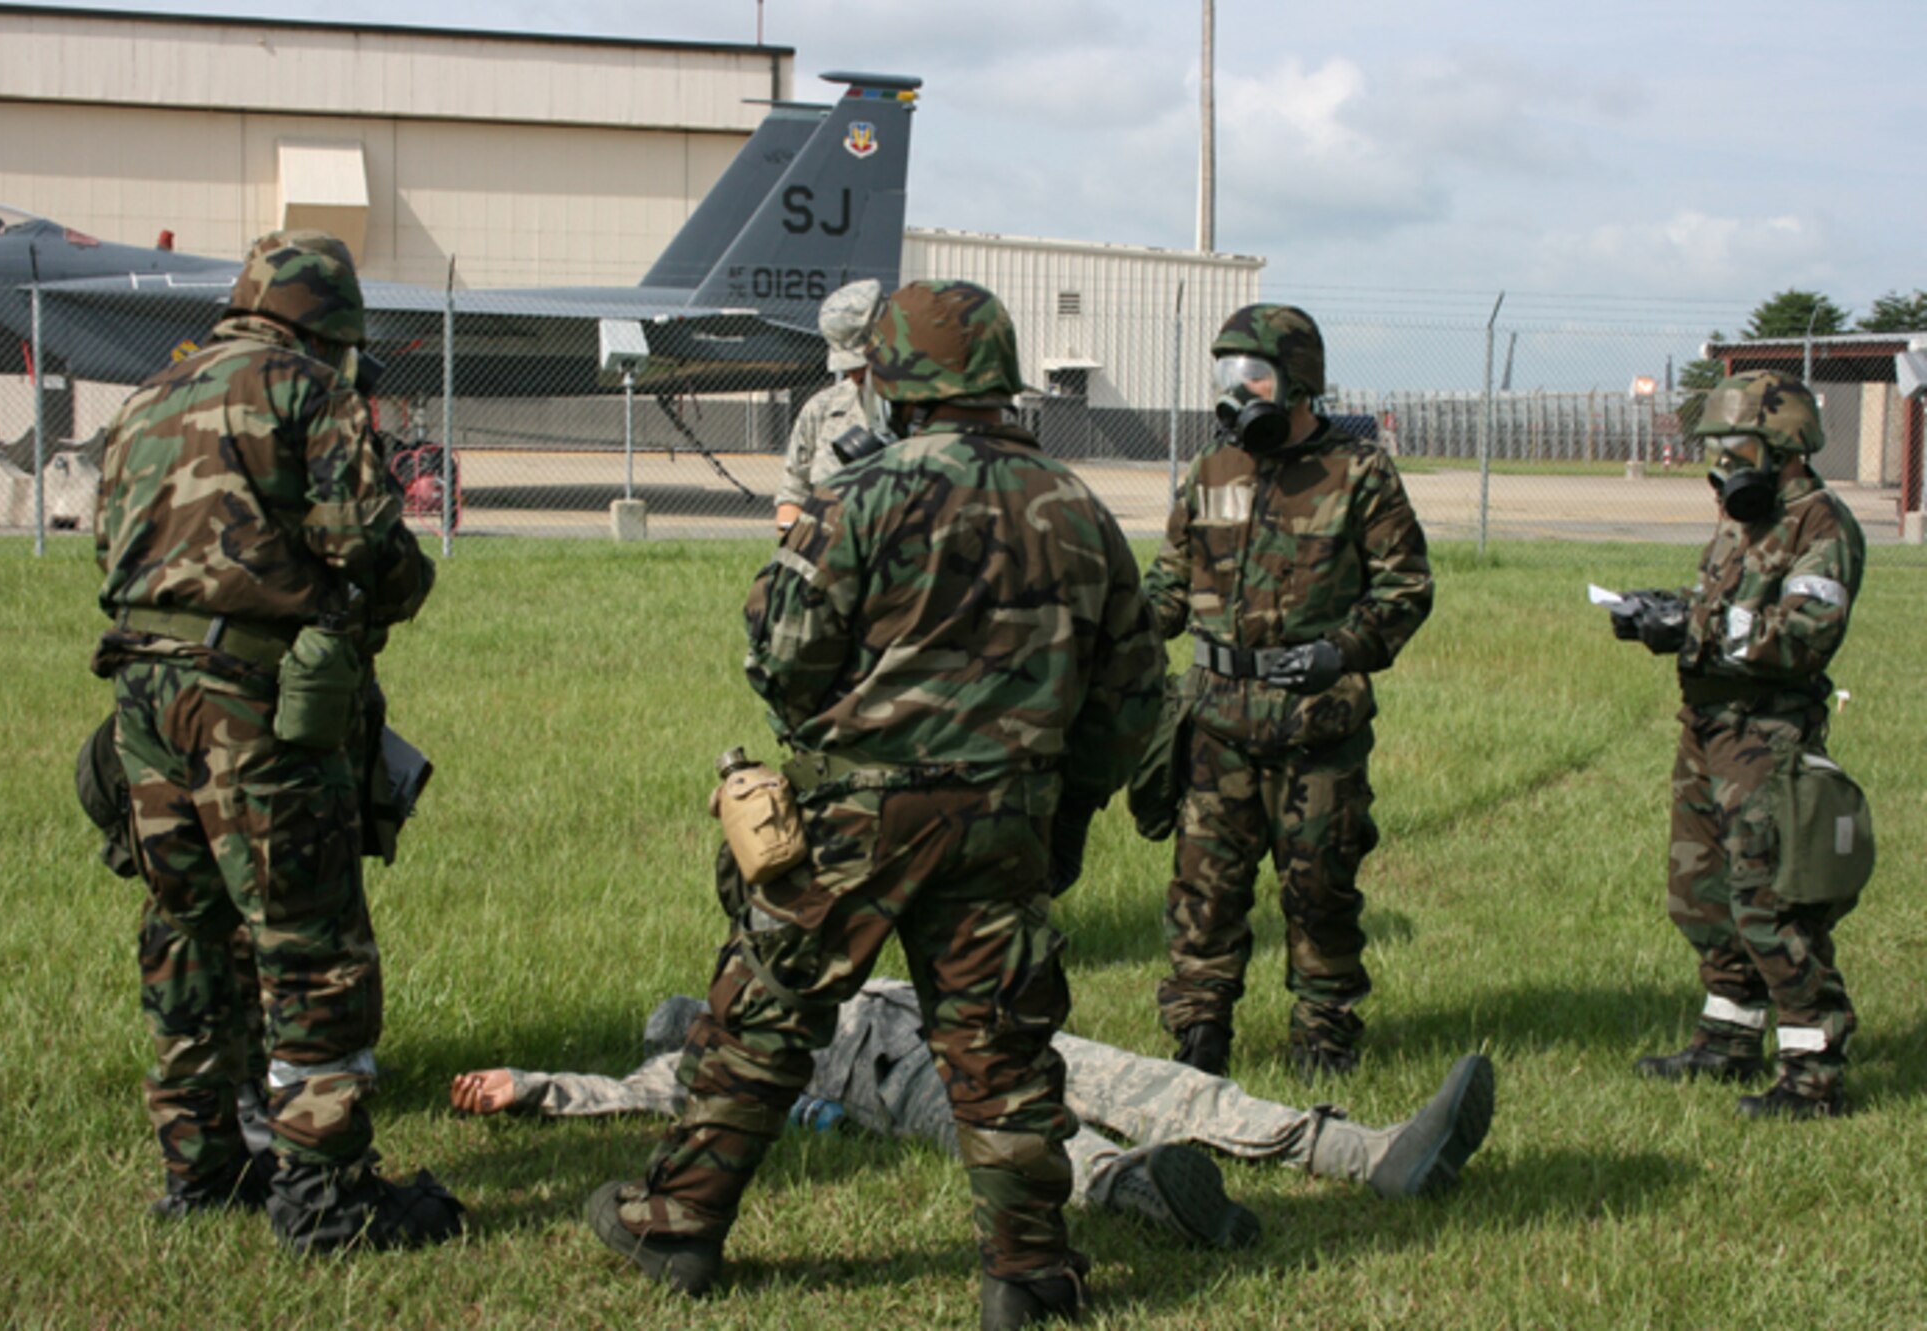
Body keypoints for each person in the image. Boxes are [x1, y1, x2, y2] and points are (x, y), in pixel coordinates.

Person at [585, 280, 1165, 1330]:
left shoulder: (858, 495)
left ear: (894, 383)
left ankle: (677, 1223)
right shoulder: (1078, 506)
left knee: (766, 1011)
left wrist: (838, 734)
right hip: (1006, 814)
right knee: (997, 1043)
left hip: (859, 812)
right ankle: (1029, 1271)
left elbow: (781, 654)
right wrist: (1067, 804)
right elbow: (1131, 697)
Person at [92, 229, 464, 1251]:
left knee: (187, 928)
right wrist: (405, 582)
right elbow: (365, 542)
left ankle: (202, 1169)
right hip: (251, 700)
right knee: (310, 944)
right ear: (330, 323)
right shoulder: (308, 388)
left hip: (141, 690)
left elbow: (109, 542)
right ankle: (326, 1197)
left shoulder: (151, 392)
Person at [455, 980, 1494, 1226]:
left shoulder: (804, 973)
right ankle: (1146, 1193)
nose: (702, 1019)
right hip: (897, 1078)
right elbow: (617, 1094)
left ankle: (1369, 1152)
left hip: (976, 1020)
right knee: (1031, 1134)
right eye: (690, 1022)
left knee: (1164, 1081)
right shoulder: (707, 1069)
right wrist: (530, 1086)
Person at [1143, 304, 1434, 1082]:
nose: (1235, 391)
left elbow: (1406, 588)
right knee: (1203, 890)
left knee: (1319, 889)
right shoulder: (1214, 469)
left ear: (1299, 381)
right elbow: (1170, 581)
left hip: (1316, 726)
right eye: (1226, 374)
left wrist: (1340, 651)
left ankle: (1324, 1035)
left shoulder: (1358, 471)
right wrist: (1114, 631)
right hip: (1216, 722)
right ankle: (1199, 1033)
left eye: (1253, 375)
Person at [1609, 370, 1867, 1119]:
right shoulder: (1741, 520)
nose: (1722, 464)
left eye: (1737, 448)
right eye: (1717, 448)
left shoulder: (1821, 525)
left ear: (1784, 448)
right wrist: (1663, 611)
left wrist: (1692, 628)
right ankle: (1727, 1039)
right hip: (1708, 729)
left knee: (1772, 903)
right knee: (1702, 898)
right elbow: (1725, 605)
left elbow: (1805, 636)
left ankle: (1813, 1075)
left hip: (1767, 738)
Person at [773, 278, 882, 532]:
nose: (856, 375)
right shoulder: (823, 409)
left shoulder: (928, 411)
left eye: (863, 364)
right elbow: (793, 495)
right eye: (849, 366)